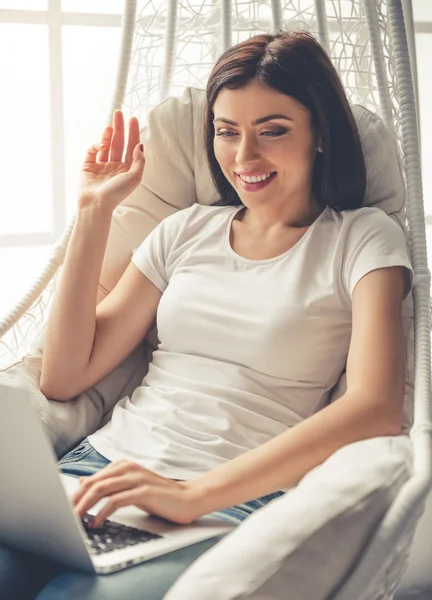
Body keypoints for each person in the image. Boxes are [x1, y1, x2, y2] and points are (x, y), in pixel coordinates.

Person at [0, 30, 413, 600]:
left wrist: (196, 496)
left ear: (320, 134)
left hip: (225, 501)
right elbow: (64, 376)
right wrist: (94, 211)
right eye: (227, 132)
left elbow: (376, 409)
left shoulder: (363, 238)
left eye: (273, 131)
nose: (244, 158)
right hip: (96, 474)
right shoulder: (185, 229)